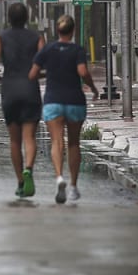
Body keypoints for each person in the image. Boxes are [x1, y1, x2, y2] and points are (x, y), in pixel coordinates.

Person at [29, 14, 100, 204]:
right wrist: (93, 88)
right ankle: (74, 186)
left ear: (57, 31)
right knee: (74, 144)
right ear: (73, 30)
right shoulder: (77, 50)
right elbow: (83, 72)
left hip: (53, 101)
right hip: (75, 101)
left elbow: (33, 73)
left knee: (56, 141)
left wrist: (50, 72)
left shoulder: (48, 49)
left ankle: (59, 177)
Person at [0, 3, 45, 198]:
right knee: (29, 136)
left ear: (8, 18)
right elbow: (43, 59)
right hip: (30, 88)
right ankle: (29, 167)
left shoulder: (0, 37)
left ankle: (21, 180)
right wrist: (37, 73)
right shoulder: (37, 37)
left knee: (14, 140)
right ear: (27, 18)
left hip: (10, 88)